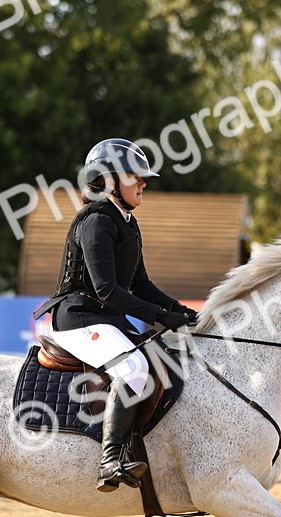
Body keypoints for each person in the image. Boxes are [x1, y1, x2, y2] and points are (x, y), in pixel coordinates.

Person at [33, 138, 196, 493]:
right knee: (134, 368)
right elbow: (106, 289)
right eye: (135, 176)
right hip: (77, 319)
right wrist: (158, 317)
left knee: (161, 358)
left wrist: (176, 308)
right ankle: (110, 461)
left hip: (104, 320)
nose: (143, 183)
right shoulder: (95, 221)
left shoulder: (126, 222)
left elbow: (140, 283)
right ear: (108, 180)